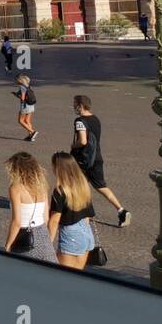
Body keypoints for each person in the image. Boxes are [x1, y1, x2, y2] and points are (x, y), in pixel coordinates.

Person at [70, 95, 129, 227]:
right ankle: (121, 210)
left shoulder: (79, 121)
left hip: (83, 159)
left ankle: (82, 213)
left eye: (75, 104)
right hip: (96, 157)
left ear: (80, 105)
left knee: (79, 185)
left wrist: (73, 146)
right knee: (101, 186)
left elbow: (83, 141)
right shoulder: (95, 118)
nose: (73, 107)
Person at [3, 151, 58, 263]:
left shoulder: (15, 188)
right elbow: (46, 217)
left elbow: (17, 222)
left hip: (24, 236)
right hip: (42, 233)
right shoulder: (42, 185)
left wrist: (7, 245)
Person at [49, 151, 95, 269]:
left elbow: (54, 221)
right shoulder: (83, 185)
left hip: (71, 235)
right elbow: (88, 215)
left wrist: (47, 245)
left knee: (64, 277)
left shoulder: (59, 191)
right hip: (86, 232)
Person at [14, 72, 39, 142]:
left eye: (16, 80)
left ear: (19, 80)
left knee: (20, 121)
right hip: (31, 105)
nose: (15, 81)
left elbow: (23, 97)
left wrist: (18, 98)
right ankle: (31, 136)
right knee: (27, 121)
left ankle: (33, 132)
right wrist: (16, 94)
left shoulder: (22, 86)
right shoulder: (28, 85)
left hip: (25, 106)